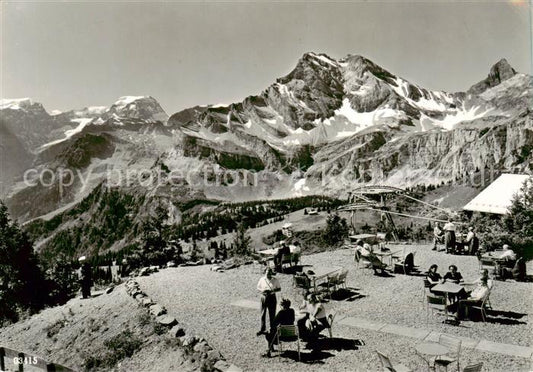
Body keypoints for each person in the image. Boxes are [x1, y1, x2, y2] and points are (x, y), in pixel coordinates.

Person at [257, 268, 281, 336]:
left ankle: (272, 329)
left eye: (270, 273)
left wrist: (273, 291)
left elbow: (279, 288)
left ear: (271, 273)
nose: (268, 274)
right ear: (265, 273)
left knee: (272, 314)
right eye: (267, 273)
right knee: (262, 314)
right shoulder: (262, 279)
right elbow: (258, 288)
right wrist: (262, 291)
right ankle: (262, 329)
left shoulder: (275, 280)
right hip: (263, 297)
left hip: (272, 297)